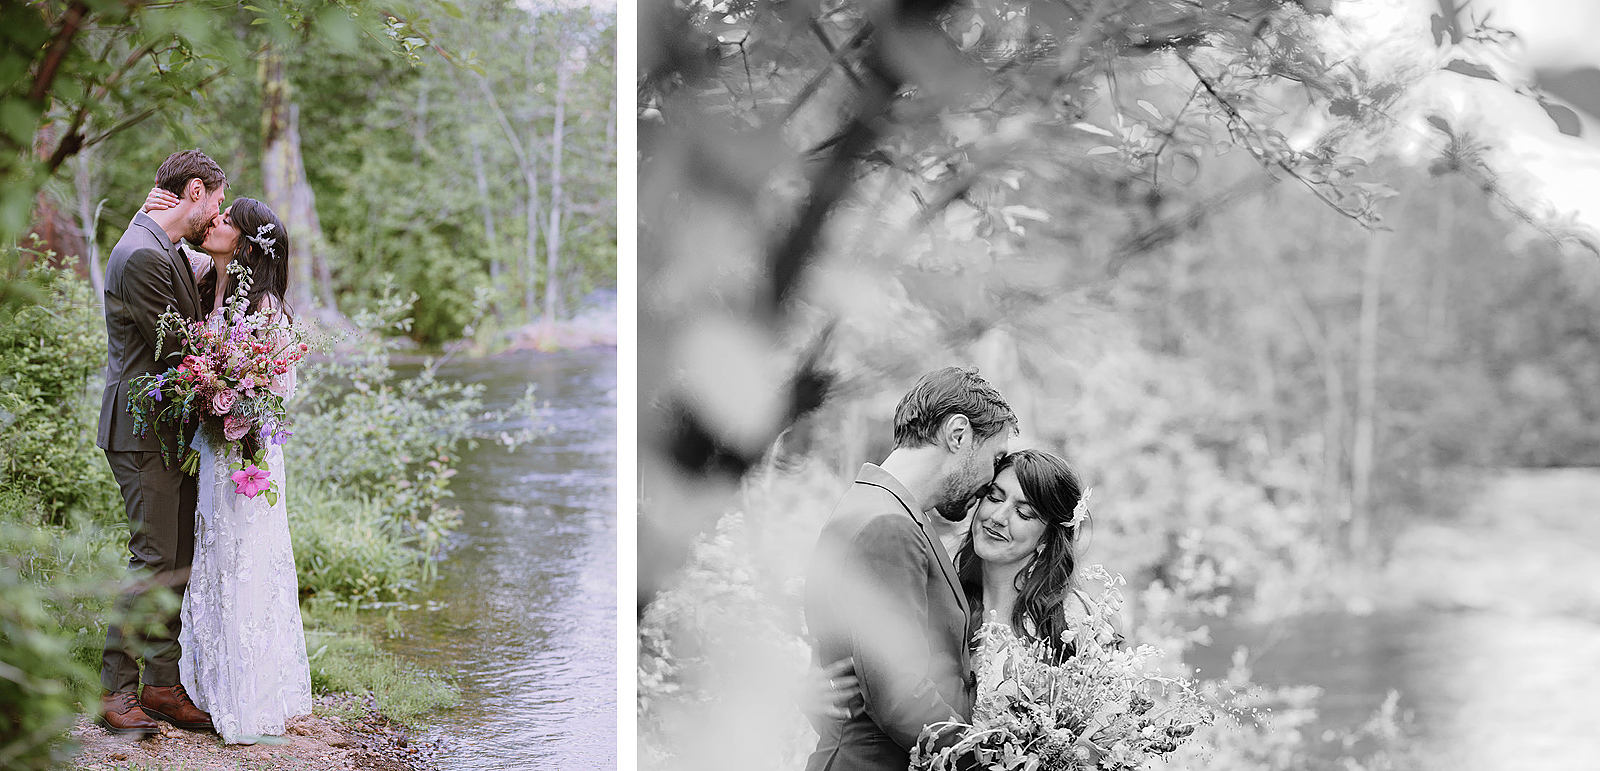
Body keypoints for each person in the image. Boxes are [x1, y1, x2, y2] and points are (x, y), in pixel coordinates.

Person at [140, 188, 313, 744]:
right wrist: (150, 211)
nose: (213, 221)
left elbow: (282, 385)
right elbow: (162, 236)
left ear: (244, 242)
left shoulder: (263, 310)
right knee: (212, 560)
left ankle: (250, 695)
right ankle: (209, 685)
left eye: (226, 219)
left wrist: (235, 399)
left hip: (248, 456)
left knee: (246, 560)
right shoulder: (209, 278)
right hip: (213, 451)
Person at [803, 366, 1016, 771]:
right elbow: (900, 696)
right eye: (996, 457)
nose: (991, 480)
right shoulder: (888, 525)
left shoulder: (876, 508)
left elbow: (839, 671)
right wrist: (996, 763)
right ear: (958, 435)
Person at [95, 149, 227, 736]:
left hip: (169, 430)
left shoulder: (160, 244)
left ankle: (162, 685)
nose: (216, 213)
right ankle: (117, 692)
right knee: (151, 560)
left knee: (176, 560)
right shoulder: (143, 254)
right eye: (217, 202)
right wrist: (235, 370)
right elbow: (175, 349)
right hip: (142, 428)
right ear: (195, 190)